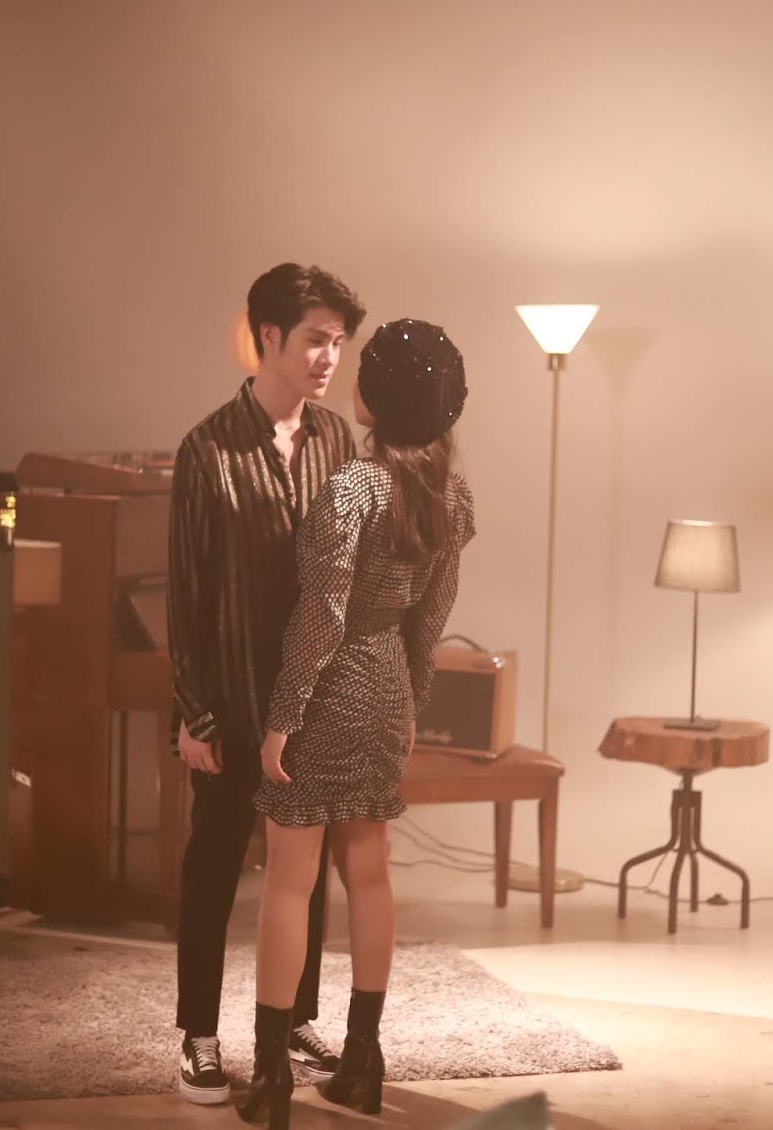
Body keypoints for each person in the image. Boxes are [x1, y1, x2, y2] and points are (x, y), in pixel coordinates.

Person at [236, 319, 476, 1127]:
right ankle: (363, 1062)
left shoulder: (353, 489)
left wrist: (283, 716)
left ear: (375, 399)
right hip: (387, 689)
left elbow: (322, 615)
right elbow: (432, 615)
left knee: (289, 881)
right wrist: (413, 699)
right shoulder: (451, 494)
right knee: (369, 874)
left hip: (332, 689)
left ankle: (271, 1075)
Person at [167, 262, 367, 1105]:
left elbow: (351, 575)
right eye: (317, 340)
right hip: (231, 698)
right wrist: (194, 714)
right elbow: (186, 592)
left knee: (303, 874)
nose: (329, 358)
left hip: (312, 703)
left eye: (339, 343)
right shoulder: (206, 448)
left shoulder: (338, 441)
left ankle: (292, 1022)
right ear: (269, 336)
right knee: (214, 867)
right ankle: (199, 1035)